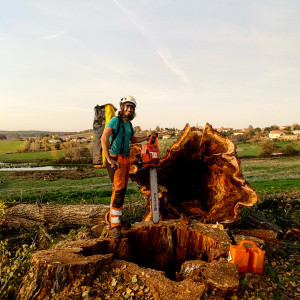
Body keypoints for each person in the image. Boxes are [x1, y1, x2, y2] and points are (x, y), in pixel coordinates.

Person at [101, 96, 149, 238]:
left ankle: (115, 220)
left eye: (131, 107)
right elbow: (104, 138)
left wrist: (148, 137)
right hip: (116, 160)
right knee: (119, 191)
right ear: (122, 107)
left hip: (126, 160)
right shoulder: (115, 121)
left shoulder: (128, 124)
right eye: (127, 106)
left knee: (120, 190)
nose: (129, 109)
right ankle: (115, 225)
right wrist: (109, 159)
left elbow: (133, 139)